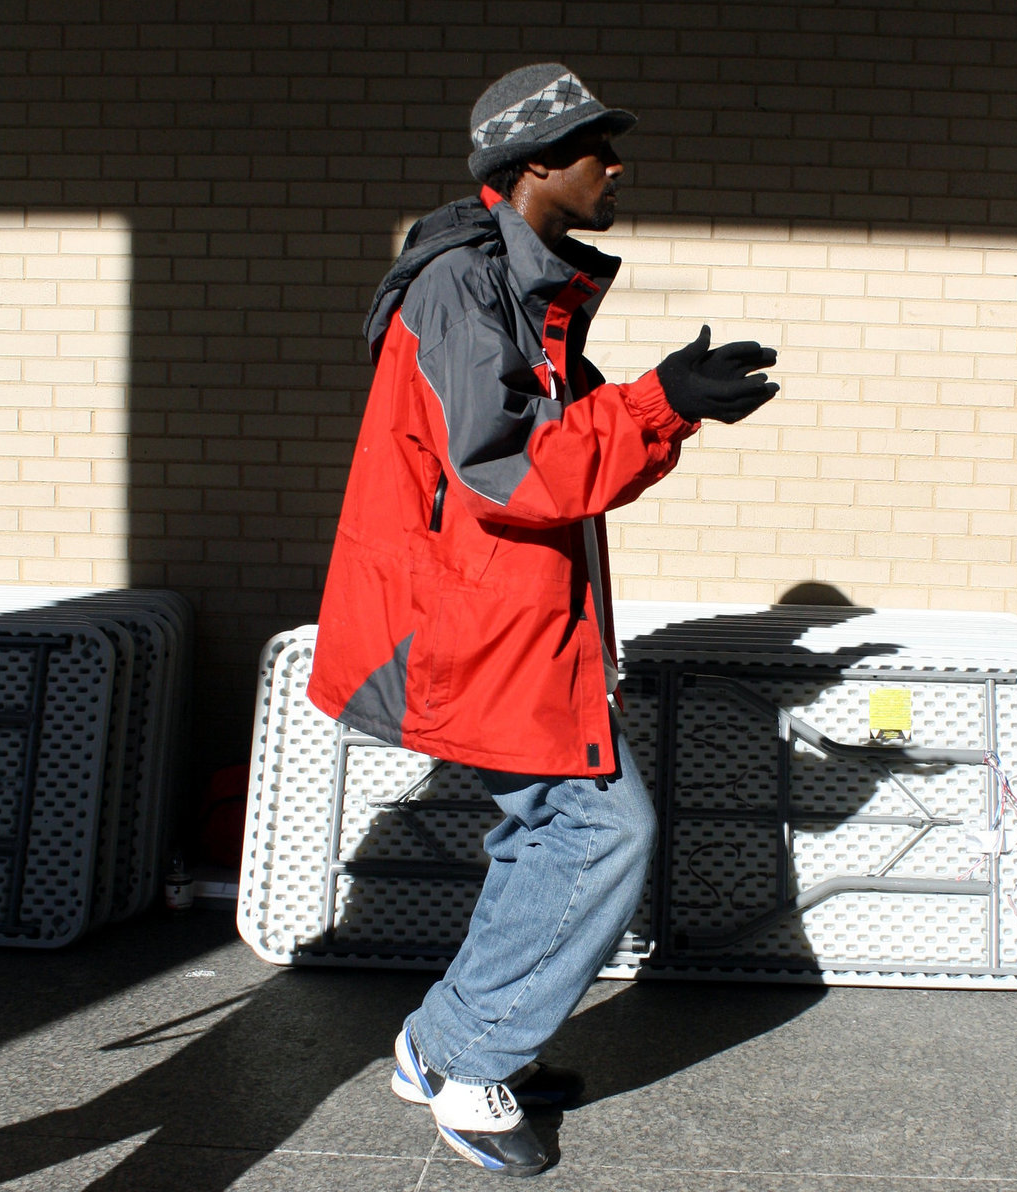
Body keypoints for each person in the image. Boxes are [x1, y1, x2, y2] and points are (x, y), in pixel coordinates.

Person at [308, 63, 778, 1175]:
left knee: (544, 834)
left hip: (510, 622)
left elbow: (567, 459)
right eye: (592, 148)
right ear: (531, 165)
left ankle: (461, 1041)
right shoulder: (461, 290)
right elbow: (512, 470)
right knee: (602, 829)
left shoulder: (519, 287)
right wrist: (659, 399)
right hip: (469, 629)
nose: (615, 164)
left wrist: (668, 408)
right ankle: (461, 1060)